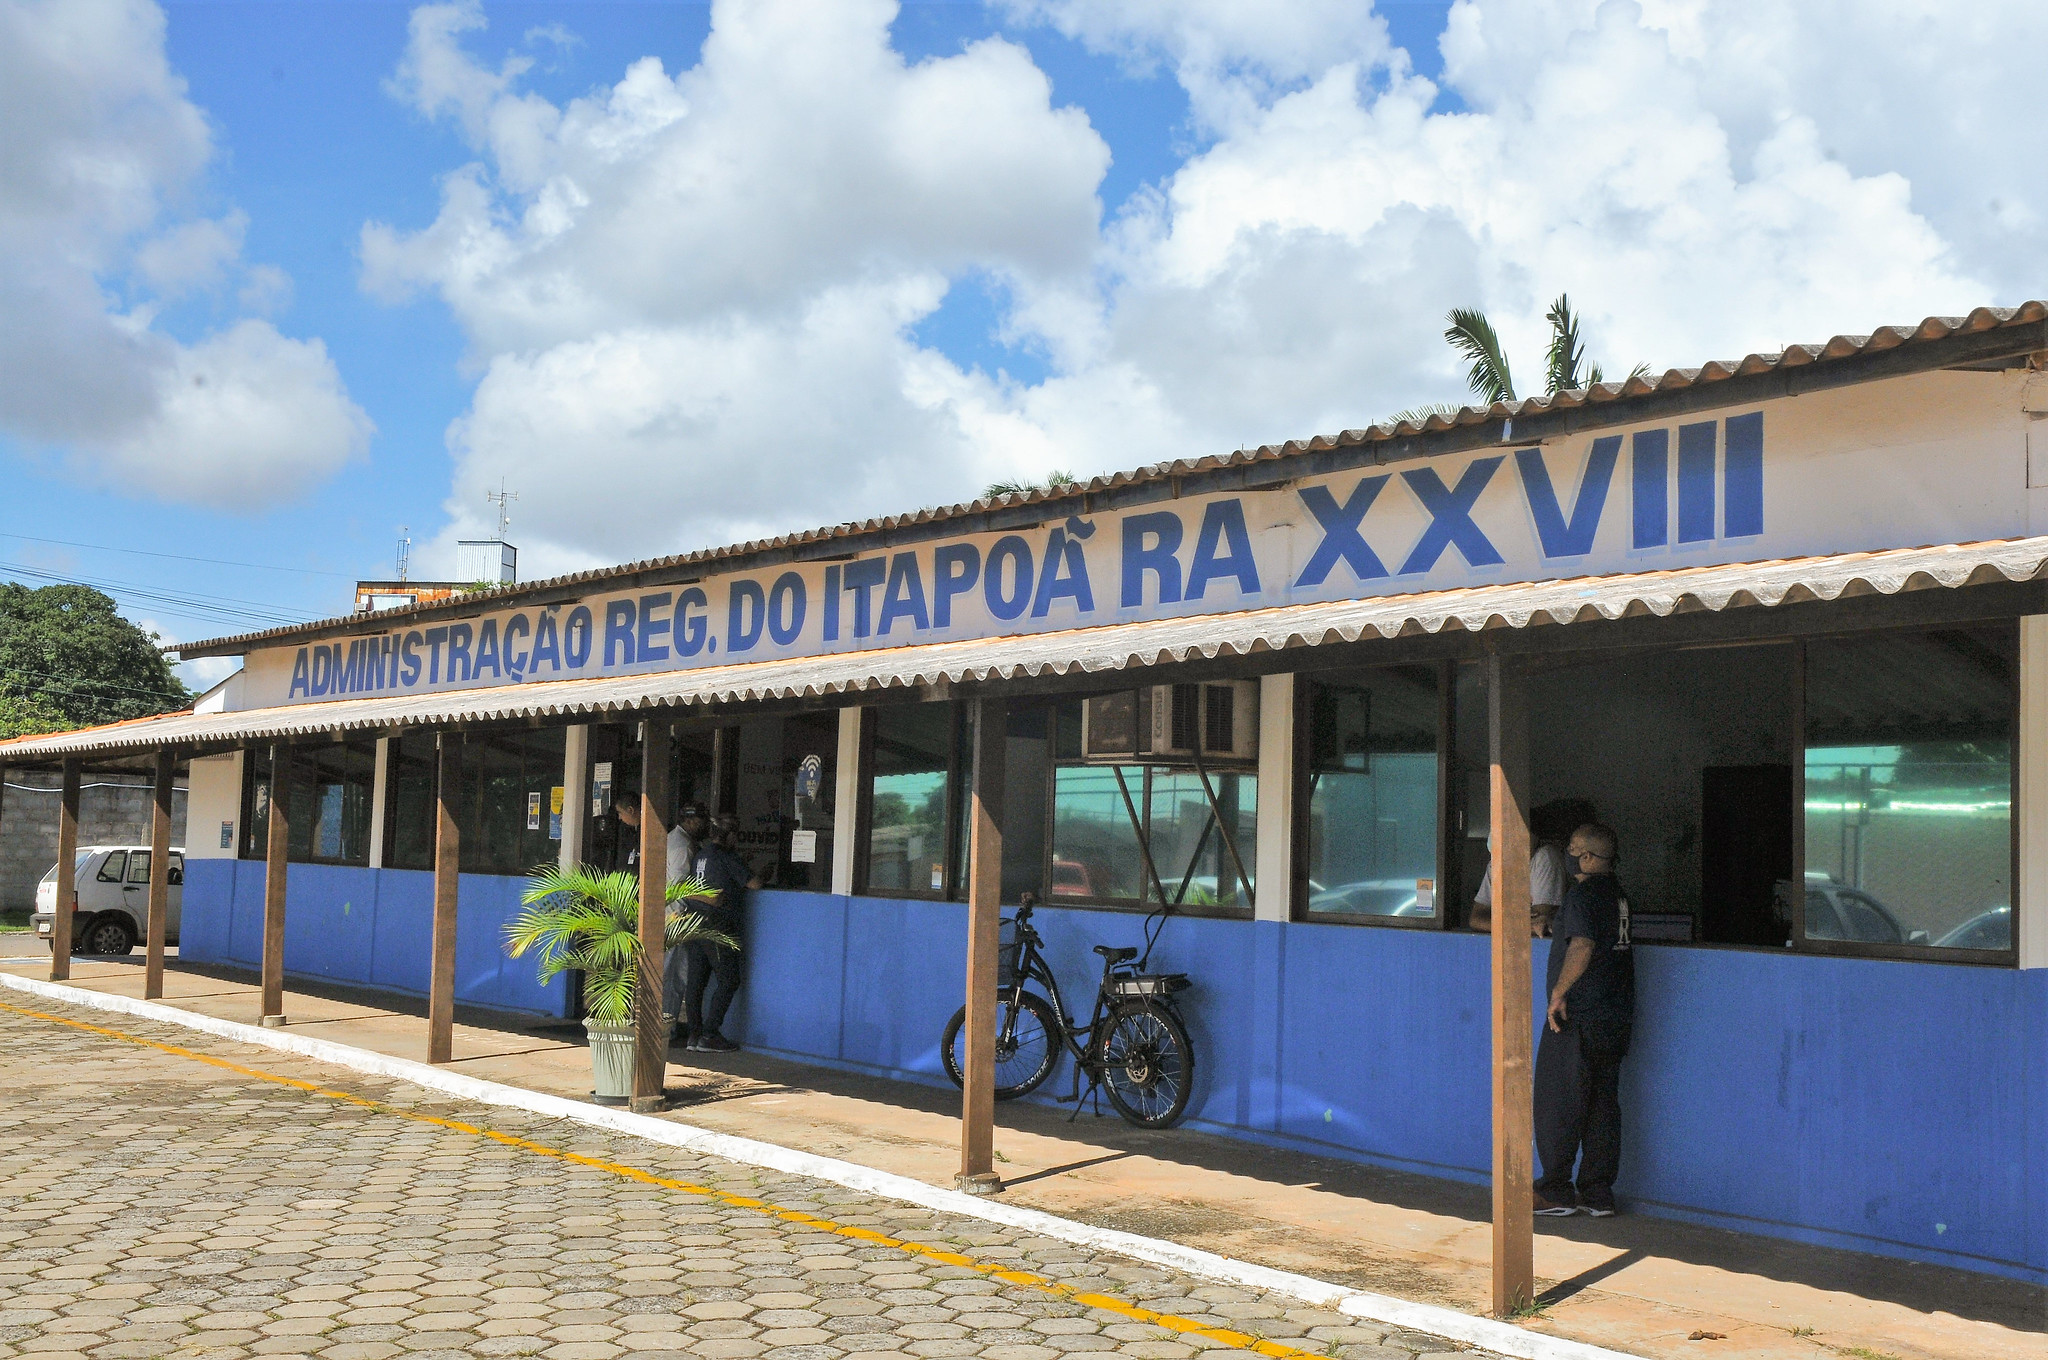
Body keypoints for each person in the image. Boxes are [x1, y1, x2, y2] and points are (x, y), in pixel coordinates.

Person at [1534, 822, 1635, 1218]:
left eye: (1575, 848)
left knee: (1559, 1102)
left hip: (1579, 1017)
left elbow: (1583, 944)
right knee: (1602, 1106)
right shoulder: (1617, 894)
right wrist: (1551, 926)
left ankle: (1555, 1189)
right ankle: (1597, 1193)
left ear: (1589, 857)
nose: (1570, 853)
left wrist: (1558, 995)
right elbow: (1585, 932)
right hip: (1615, 1018)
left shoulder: (1583, 894)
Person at [679, 815, 759, 1052]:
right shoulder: (725, 856)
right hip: (717, 924)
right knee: (729, 979)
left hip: (694, 922)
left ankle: (694, 1034)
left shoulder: (701, 854)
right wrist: (760, 872)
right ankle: (710, 1034)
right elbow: (753, 884)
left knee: (697, 981)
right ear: (730, 835)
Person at [1470, 798, 1588, 935]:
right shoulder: (1497, 862)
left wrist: (1501, 920)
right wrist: (1516, 922)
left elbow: (1538, 925)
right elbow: (1475, 919)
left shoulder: (1545, 857)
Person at [660, 803, 712, 1045]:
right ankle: (662, 1027)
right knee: (671, 976)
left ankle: (665, 1027)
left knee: (673, 976)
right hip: (675, 918)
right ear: (689, 821)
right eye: (700, 820)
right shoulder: (681, 845)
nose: (703, 825)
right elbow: (681, 885)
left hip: (670, 916)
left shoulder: (674, 839)